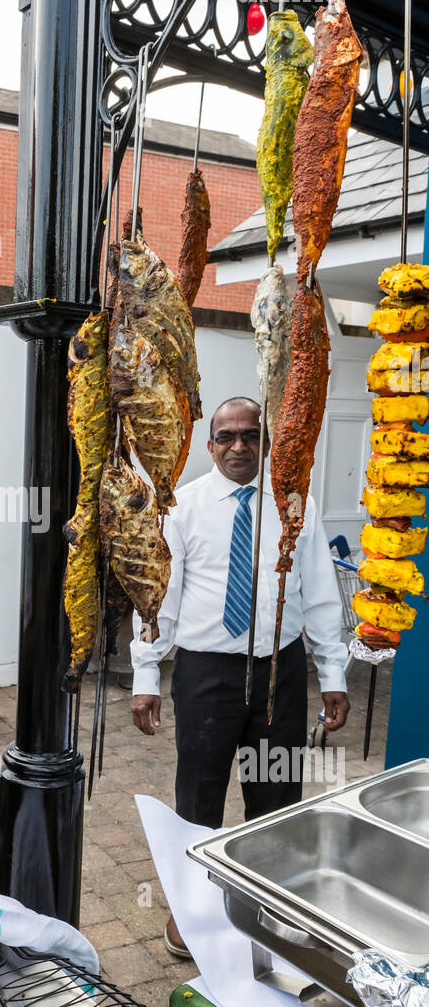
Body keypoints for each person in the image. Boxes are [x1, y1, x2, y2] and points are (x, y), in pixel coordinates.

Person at [130, 396, 349, 958]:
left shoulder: (295, 505)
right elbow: (160, 597)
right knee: (200, 795)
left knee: (276, 796)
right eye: (225, 436)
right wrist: (146, 673)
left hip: (281, 673)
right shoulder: (182, 506)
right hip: (207, 676)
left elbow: (321, 595)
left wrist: (334, 675)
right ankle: (192, 914)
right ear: (210, 446)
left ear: (265, 442)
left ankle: (264, 913)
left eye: (250, 435)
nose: (238, 446)